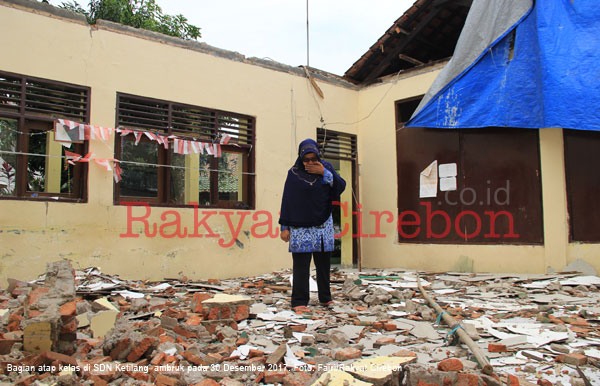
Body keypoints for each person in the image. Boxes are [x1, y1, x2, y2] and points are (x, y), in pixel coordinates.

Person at [279, 138, 346, 313]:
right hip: (300, 226)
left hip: (323, 224)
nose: (309, 163)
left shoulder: (327, 168)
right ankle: (299, 301)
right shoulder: (293, 174)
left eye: (313, 159)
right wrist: (284, 227)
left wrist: (324, 172)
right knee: (301, 264)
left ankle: (325, 298)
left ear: (318, 156)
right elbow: (287, 200)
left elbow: (340, 187)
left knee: (323, 264)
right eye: (306, 160)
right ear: (300, 158)